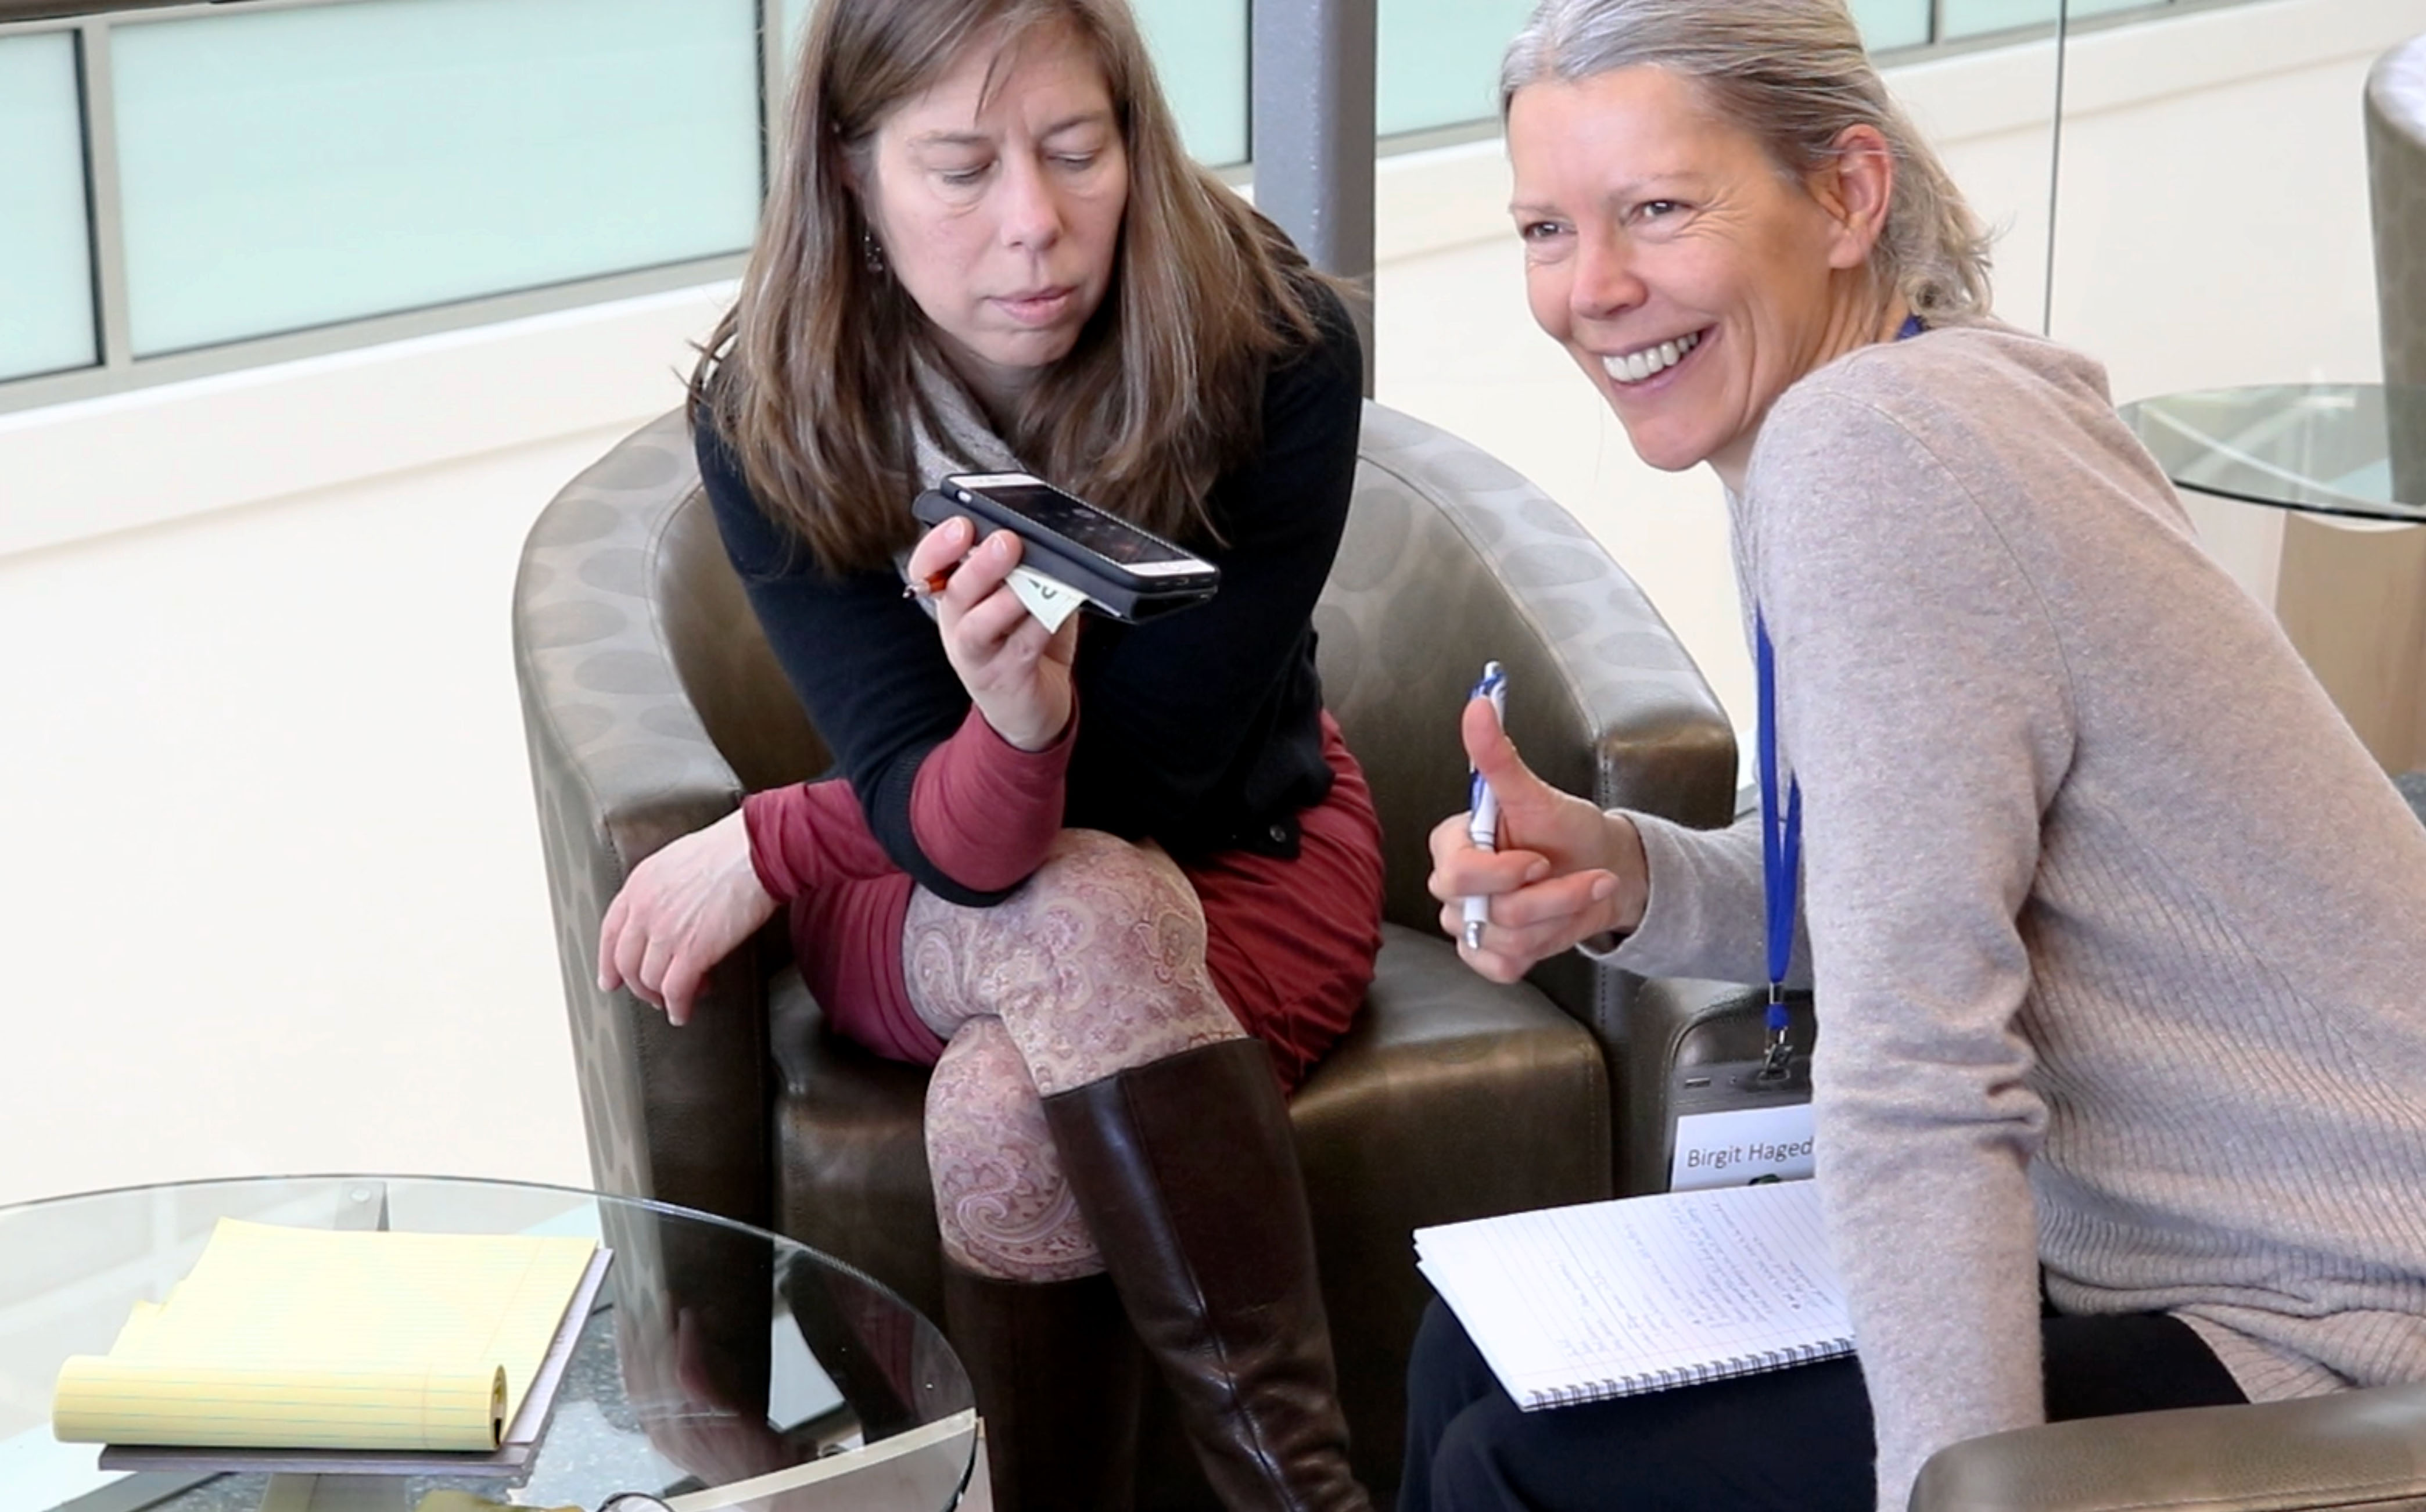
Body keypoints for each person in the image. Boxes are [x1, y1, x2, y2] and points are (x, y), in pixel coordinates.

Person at [1407, 1, 2426, 1509]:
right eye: (1546, 229)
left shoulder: (1870, 455)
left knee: (1520, 1470)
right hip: (2180, 1253)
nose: (1591, 290)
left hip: (2336, 1312)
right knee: (1465, 1364)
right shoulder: (1886, 398)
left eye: (1658, 210)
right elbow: (1915, 881)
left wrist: (1961, 1496)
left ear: (1847, 195)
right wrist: (1628, 874)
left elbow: (1922, 1073)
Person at [591, 2, 1385, 1509]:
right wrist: (1004, 734)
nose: (1036, 226)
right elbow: (955, 834)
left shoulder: (1276, 345)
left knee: (1005, 1099)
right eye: (959, 170)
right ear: (849, 177)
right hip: (922, 885)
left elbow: (1155, 776)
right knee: (1075, 900)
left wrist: (777, 837)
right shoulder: (771, 410)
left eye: (1078, 153)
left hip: (1239, 844)